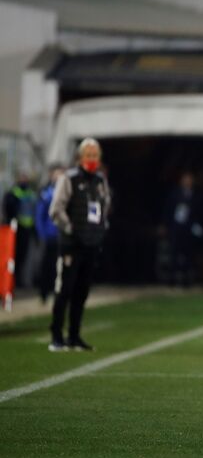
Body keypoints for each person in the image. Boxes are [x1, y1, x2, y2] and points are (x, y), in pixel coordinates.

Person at [48, 138, 111, 352]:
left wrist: (100, 230)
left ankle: (74, 336)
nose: (92, 159)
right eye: (88, 155)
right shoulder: (69, 178)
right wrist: (71, 229)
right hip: (71, 245)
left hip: (91, 244)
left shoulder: (100, 180)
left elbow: (104, 208)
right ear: (80, 157)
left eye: (95, 155)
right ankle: (56, 336)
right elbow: (56, 209)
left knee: (82, 291)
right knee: (64, 289)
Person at [161, 172, 203, 287]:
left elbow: (199, 212)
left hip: (189, 230)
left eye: (189, 179)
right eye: (185, 179)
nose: (187, 182)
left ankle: (186, 280)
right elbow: (168, 210)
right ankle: (171, 279)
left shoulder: (196, 195)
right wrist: (166, 225)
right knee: (173, 254)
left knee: (188, 255)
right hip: (176, 229)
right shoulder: (174, 194)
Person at [2, 170, 38, 288]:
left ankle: (18, 281)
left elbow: (34, 213)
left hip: (26, 231)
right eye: (22, 178)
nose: (24, 180)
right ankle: (10, 282)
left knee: (22, 258)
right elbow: (8, 211)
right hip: (14, 231)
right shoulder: (12, 194)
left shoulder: (31, 195)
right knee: (12, 256)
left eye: (25, 178)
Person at [35, 165, 64, 303]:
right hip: (49, 235)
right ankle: (43, 292)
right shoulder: (46, 193)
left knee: (59, 265)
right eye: (56, 175)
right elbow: (39, 215)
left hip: (62, 234)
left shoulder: (66, 192)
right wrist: (42, 233)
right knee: (47, 264)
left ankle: (56, 291)